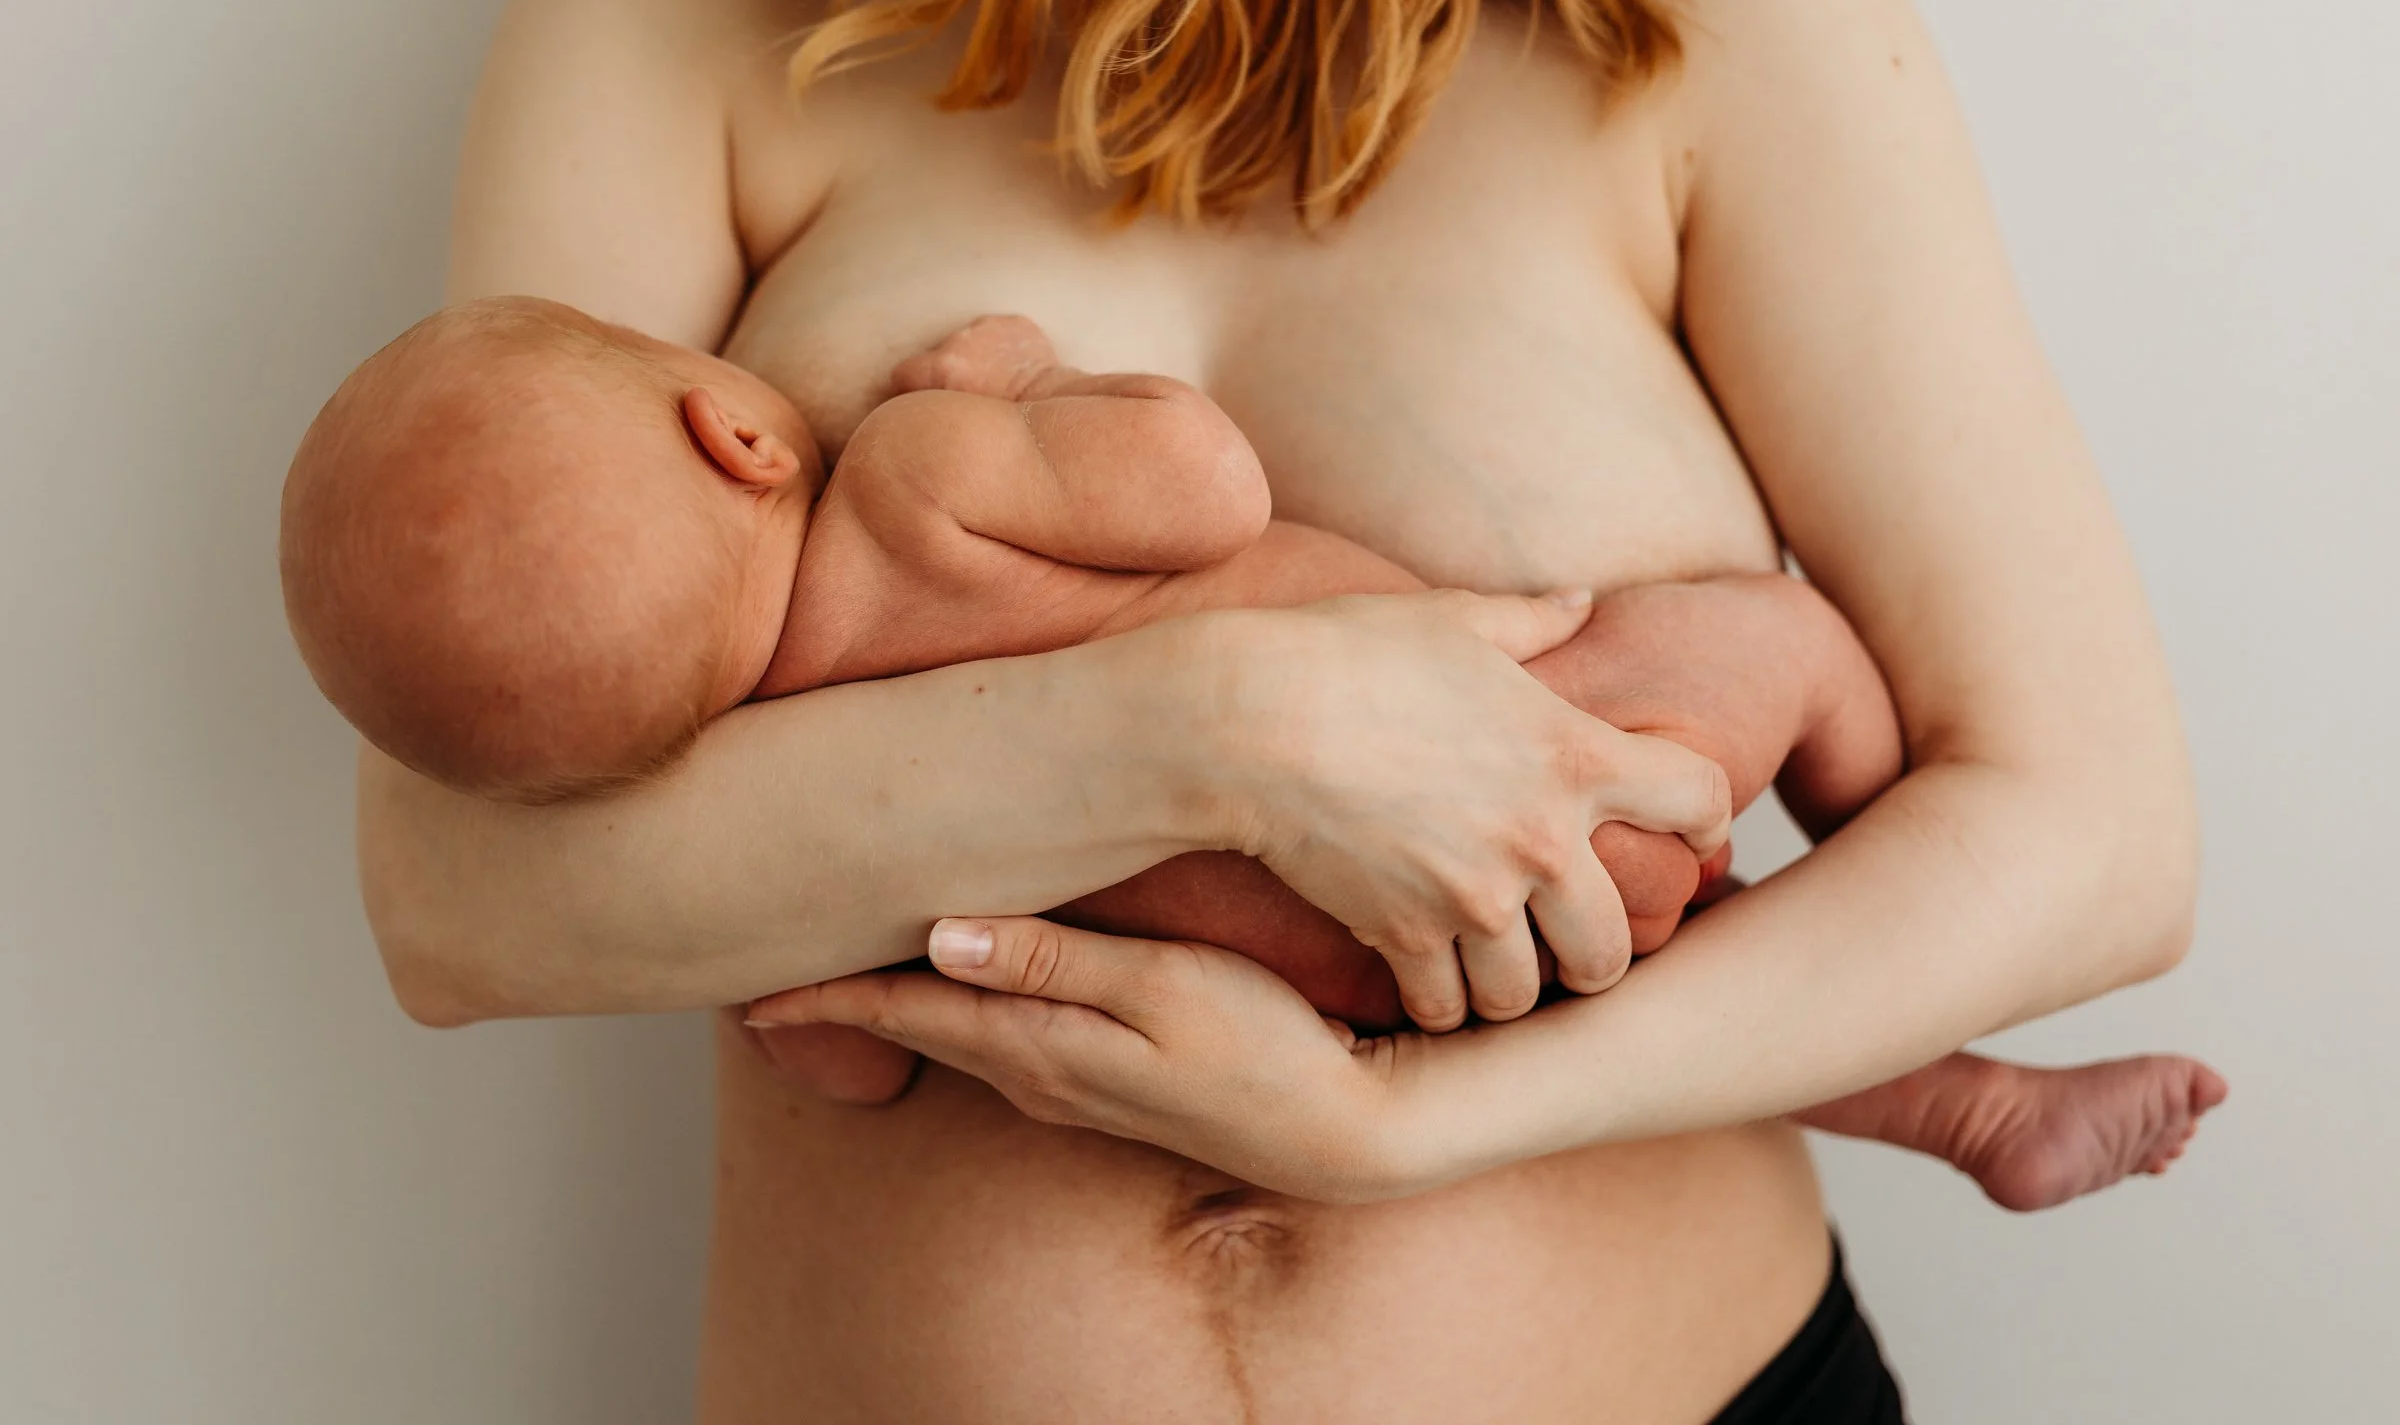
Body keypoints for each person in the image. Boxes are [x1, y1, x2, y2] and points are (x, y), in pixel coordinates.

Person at [354, 0, 2203, 1419]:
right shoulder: (676, 2)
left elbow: (2095, 840)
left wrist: (1405, 1124)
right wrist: (1223, 730)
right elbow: (459, 898)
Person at [286, 296, 2221, 1208]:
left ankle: (1965, 1107)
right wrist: (1015, 388)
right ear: (734, 434)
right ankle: (1866, 866)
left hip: (1339, 992)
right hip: (1577, 785)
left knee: (1665, 980)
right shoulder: (910, 479)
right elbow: (1202, 486)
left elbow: (848, 1068)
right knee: (1772, 648)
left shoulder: (779, 821)